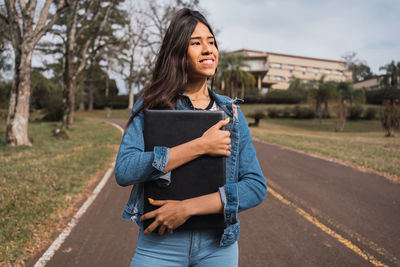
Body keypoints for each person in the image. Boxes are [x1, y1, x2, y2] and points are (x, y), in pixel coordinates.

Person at [115, 8, 267, 267]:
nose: (208, 49)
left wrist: (187, 208)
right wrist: (201, 146)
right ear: (177, 53)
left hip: (218, 247)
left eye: (211, 42)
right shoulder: (152, 105)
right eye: (196, 43)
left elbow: (255, 186)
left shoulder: (231, 113)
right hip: (159, 247)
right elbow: (125, 170)